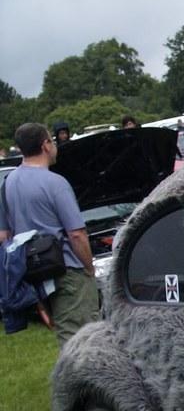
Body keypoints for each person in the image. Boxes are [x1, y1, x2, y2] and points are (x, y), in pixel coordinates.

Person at [0, 123, 98, 348]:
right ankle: (81, 383)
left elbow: (4, 237)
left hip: (34, 273)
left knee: (68, 335)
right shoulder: (55, 183)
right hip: (68, 271)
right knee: (82, 340)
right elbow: (76, 235)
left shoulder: (7, 185)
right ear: (45, 145)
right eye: (52, 141)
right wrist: (89, 269)